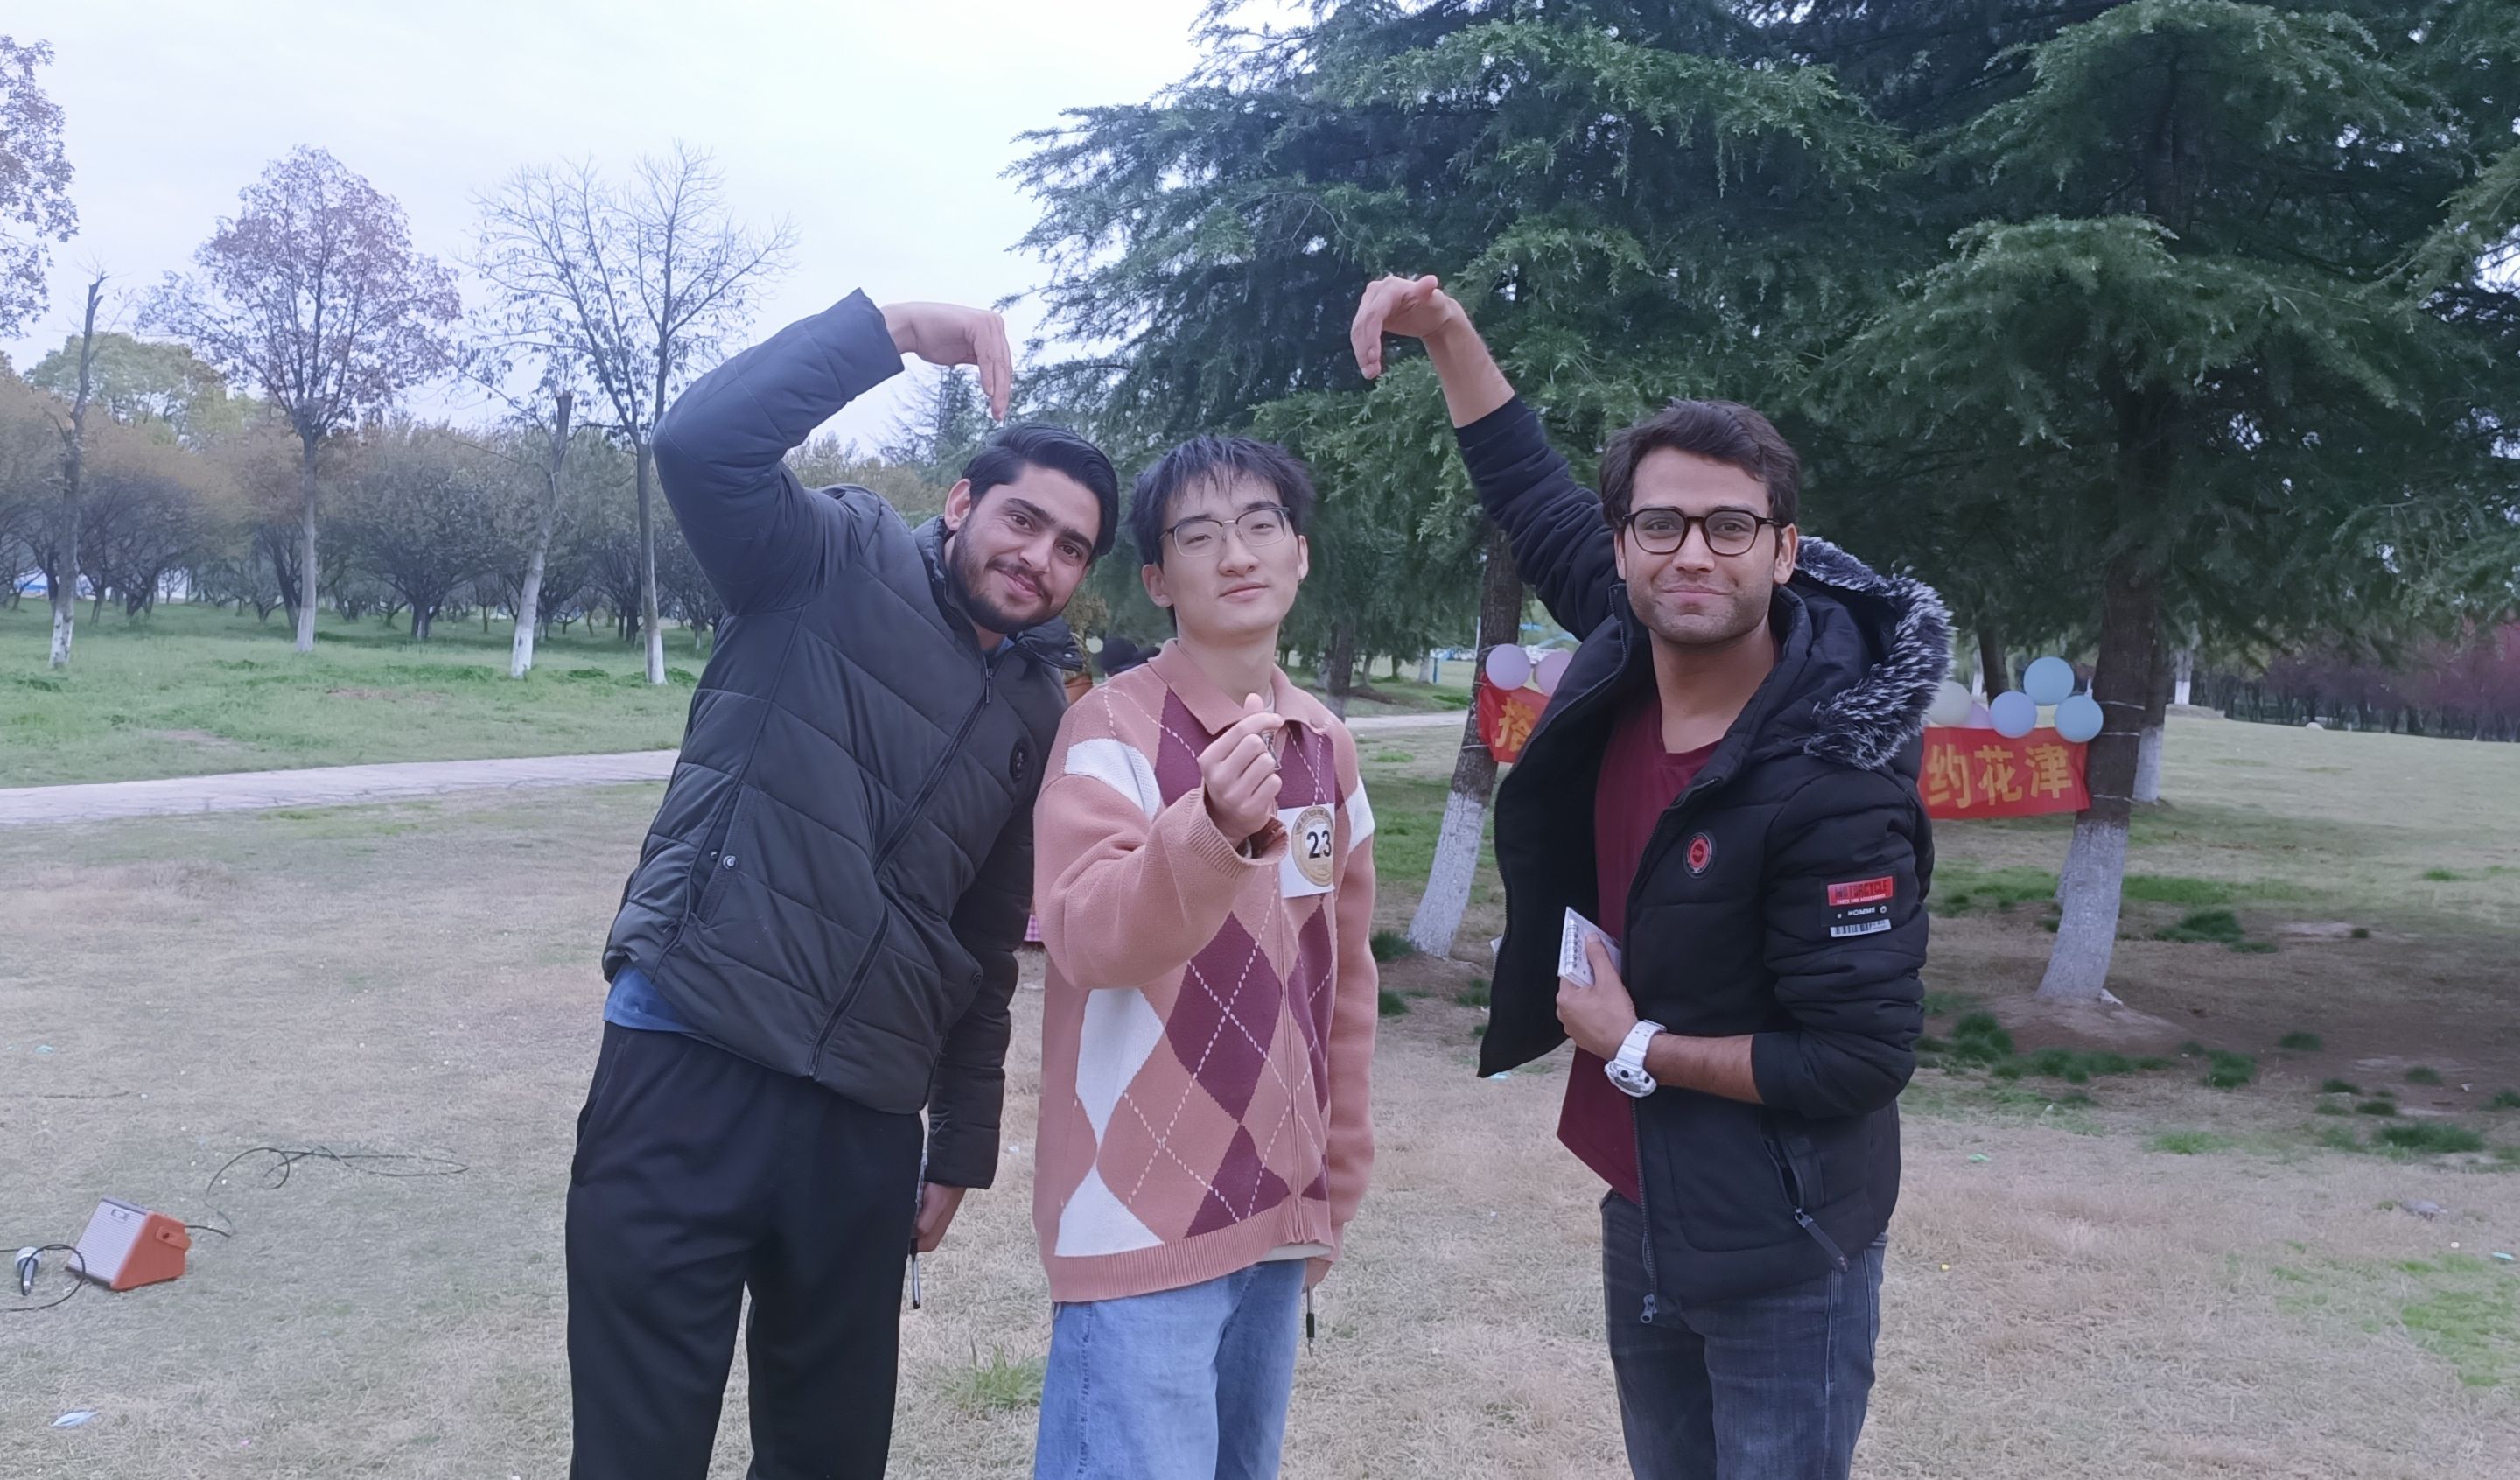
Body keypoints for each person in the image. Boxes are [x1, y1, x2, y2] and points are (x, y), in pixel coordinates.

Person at [1352, 274, 1946, 1480]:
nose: (1693, 553)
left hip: (1783, 1236)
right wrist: (1448, 331)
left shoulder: (1836, 775)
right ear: (1624, 545)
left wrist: (1636, 1044)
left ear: (1784, 549)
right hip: (1647, 1197)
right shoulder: (1632, 633)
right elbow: (1527, 489)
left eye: (1731, 526)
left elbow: (1857, 1059)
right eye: (1661, 524)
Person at [565, 288, 1121, 1480]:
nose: (1040, 558)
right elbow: (698, 443)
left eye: (1072, 547)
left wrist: (959, 1140)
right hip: (691, 1054)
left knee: (831, 1453)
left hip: (863, 1116)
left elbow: (985, 936)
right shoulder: (825, 554)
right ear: (962, 502)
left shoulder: (1036, 706)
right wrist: (893, 331)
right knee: (637, 1448)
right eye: (1024, 519)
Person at [1026, 437, 1380, 1479]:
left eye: (1261, 523)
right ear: (1156, 577)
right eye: (1199, 534)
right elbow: (1087, 935)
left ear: (1299, 552)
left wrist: (1334, 1176)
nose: (1236, 553)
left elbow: (1341, 983)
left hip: (1278, 1210)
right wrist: (1211, 827)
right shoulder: (1108, 729)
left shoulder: (1324, 743)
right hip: (1136, 1220)